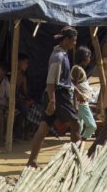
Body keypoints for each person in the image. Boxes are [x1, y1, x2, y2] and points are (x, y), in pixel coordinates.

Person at [26, 27, 81, 167]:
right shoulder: (58, 57)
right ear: (66, 40)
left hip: (56, 94)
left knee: (44, 127)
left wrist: (76, 91)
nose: (74, 44)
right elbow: (51, 81)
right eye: (73, 41)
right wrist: (52, 101)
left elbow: (63, 78)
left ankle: (32, 160)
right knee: (75, 124)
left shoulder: (63, 54)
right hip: (57, 95)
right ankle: (76, 160)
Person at [71, 47, 97, 143]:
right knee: (92, 126)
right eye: (88, 56)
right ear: (83, 57)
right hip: (81, 102)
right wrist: (75, 104)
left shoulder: (79, 69)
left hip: (82, 101)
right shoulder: (77, 69)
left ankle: (77, 143)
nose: (89, 59)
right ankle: (81, 141)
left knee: (79, 126)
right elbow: (72, 86)